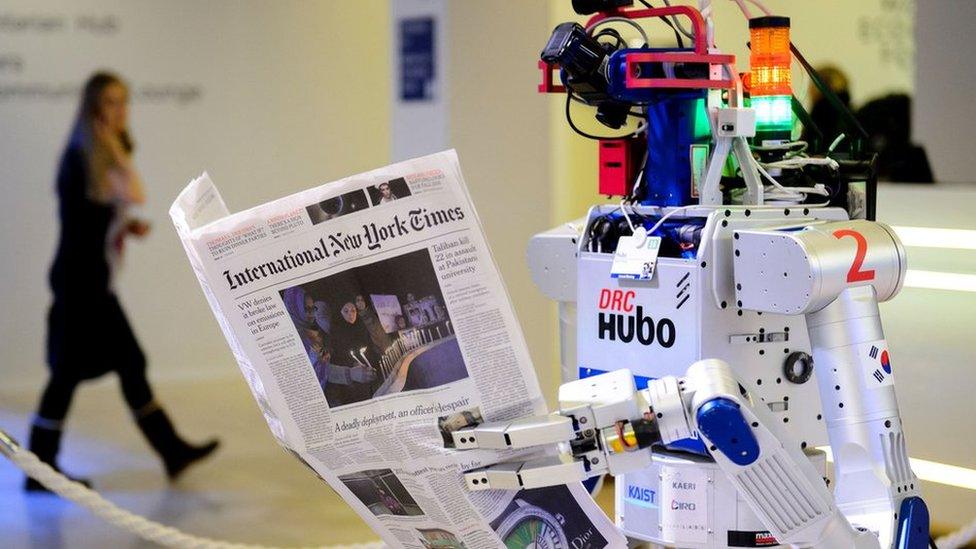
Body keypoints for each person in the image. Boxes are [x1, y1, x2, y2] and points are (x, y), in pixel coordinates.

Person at [27, 72, 218, 491]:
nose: (121, 111)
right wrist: (115, 147)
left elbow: (96, 212)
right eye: (111, 103)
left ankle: (170, 450)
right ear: (94, 109)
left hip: (92, 281)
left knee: (126, 364)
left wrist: (124, 228)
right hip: (80, 284)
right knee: (68, 373)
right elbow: (135, 192)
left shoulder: (93, 154)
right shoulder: (86, 153)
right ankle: (39, 466)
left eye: (124, 102)